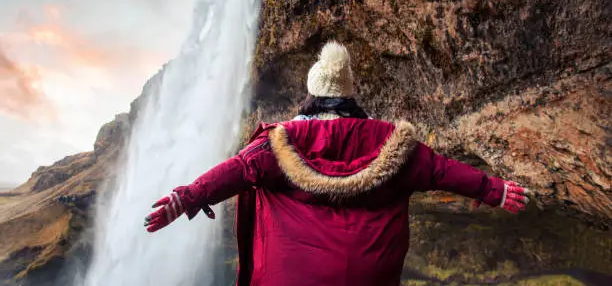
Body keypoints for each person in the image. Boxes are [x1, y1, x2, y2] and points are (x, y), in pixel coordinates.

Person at [144, 41, 531, 286]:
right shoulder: (394, 144)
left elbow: (238, 171)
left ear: (311, 96)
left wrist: (187, 198)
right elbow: (445, 171)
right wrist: (494, 190)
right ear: (349, 97)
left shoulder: (280, 143)